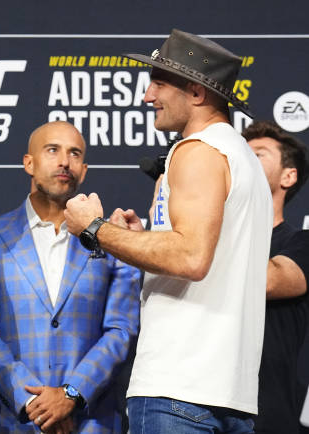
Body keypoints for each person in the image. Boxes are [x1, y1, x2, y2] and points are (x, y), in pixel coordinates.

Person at [64, 28, 272, 433]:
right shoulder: (241, 156)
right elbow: (204, 249)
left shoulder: (196, 151)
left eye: (159, 82)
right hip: (229, 396)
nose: (147, 96)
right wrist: (145, 235)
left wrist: (94, 228)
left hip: (179, 391)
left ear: (196, 93)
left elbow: (190, 257)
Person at [0, 121, 141, 433]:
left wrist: (72, 394)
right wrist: (33, 403)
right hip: (12, 421)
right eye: (52, 150)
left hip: (90, 422)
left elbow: (121, 330)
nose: (64, 161)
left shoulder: (114, 239)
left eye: (74, 153)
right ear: (29, 162)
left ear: (83, 170)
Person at [243, 121, 309, 433]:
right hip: (205, 411)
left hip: (269, 416)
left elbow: (269, 281)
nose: (244, 159)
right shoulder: (208, 243)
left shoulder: (301, 244)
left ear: (288, 176)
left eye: (258, 154)